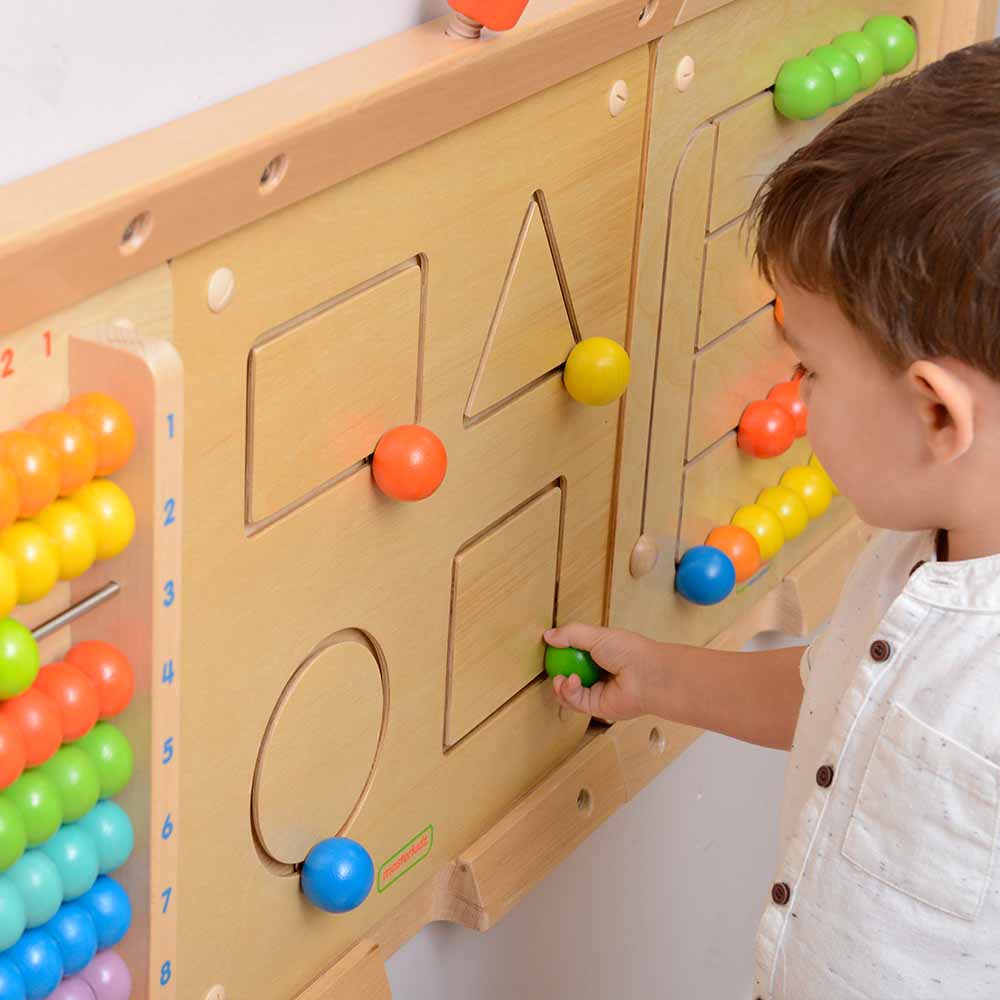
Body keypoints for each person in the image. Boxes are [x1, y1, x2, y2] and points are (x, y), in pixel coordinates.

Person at [546, 38, 1000, 999]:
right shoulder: (919, 550)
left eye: (810, 370)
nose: (794, 394)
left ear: (936, 414)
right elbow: (848, 706)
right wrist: (663, 677)